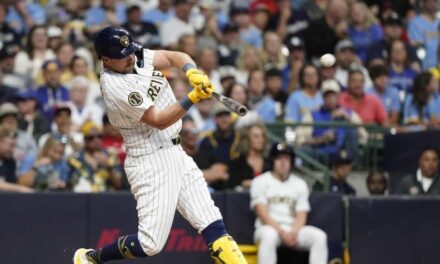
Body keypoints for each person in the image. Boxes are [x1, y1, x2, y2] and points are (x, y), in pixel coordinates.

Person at [73, 26, 246, 264]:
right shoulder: (114, 86)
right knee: (150, 244)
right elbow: (159, 120)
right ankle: (92, 258)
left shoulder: (134, 56)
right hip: (149, 159)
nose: (131, 56)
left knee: (212, 223)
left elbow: (175, 57)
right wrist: (193, 97)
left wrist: (191, 71)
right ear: (106, 59)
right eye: (123, 54)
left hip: (176, 151)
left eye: (130, 50)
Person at [251, 142, 328, 264]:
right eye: (279, 158)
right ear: (272, 161)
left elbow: (301, 215)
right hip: (268, 228)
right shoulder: (260, 181)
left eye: (286, 158)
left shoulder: (300, 184)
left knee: (319, 236)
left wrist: (293, 232)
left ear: (291, 162)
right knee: (269, 236)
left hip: (293, 229)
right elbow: (263, 214)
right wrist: (282, 233)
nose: (283, 162)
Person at [69, 121, 123, 193]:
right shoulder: (75, 159)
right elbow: (70, 184)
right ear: (85, 139)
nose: (96, 140)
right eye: (91, 138)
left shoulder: (111, 156)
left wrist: (108, 166)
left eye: (99, 136)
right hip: (82, 198)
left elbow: (119, 185)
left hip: (106, 198)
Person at [180, 116, 228, 191]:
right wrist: (210, 174)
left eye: (194, 130)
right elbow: (183, 178)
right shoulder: (179, 156)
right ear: (180, 134)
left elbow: (222, 173)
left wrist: (195, 176)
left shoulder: (205, 151)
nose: (191, 135)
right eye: (186, 132)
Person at [228, 123, 270, 190]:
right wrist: (242, 183)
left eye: (263, 136)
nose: (261, 140)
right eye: (256, 136)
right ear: (247, 139)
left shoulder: (270, 162)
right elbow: (231, 185)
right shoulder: (238, 163)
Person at [0, 126, 33, 193]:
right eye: (11, 145)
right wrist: (20, 189)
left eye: (15, 146)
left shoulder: (10, 162)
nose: (13, 150)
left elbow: (11, 184)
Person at [408, 0, 439, 70]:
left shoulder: (439, 23)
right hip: (424, 68)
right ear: (422, 3)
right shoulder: (414, 23)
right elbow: (415, 46)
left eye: (434, 1)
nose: (431, 2)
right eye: (428, 0)